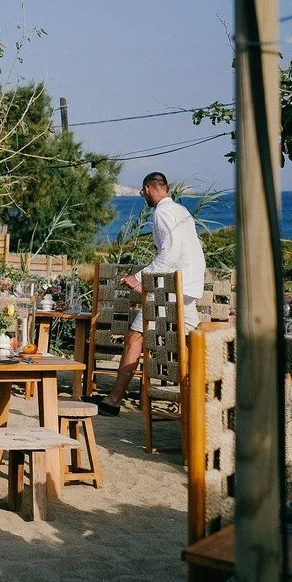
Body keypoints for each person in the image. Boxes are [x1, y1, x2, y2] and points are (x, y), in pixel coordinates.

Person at [92, 172, 206, 416]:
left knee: (135, 336)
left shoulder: (162, 212)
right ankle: (202, 398)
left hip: (170, 288)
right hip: (189, 285)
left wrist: (142, 277)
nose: (143, 195)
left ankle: (113, 401)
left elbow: (170, 252)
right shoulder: (182, 211)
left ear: (148, 189)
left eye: (143, 191)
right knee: (193, 341)